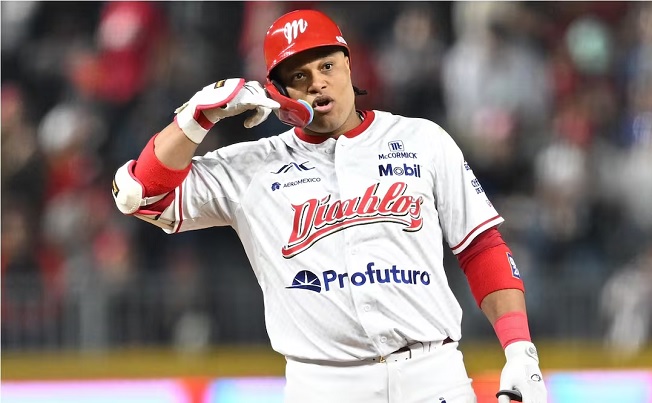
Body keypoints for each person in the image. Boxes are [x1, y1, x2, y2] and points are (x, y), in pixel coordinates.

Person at [112, 9, 547, 403]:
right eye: (299, 76)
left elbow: (481, 247)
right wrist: (197, 117)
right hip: (323, 385)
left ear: (349, 65)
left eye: (327, 66)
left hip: (433, 375)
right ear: (278, 93)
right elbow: (141, 194)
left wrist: (519, 350)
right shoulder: (251, 167)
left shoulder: (422, 140)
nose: (318, 82)